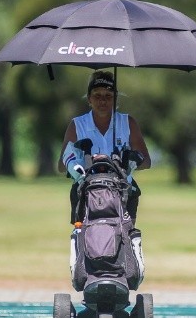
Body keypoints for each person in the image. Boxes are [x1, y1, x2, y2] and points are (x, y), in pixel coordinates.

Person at [58, 70, 151, 223]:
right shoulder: (77, 125)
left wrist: (129, 159)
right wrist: (78, 161)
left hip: (122, 191)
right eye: (97, 96)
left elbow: (146, 161)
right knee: (85, 241)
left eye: (108, 96)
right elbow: (61, 165)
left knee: (124, 240)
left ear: (115, 99)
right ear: (89, 99)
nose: (103, 101)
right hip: (85, 192)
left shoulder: (128, 123)